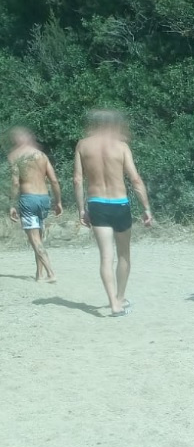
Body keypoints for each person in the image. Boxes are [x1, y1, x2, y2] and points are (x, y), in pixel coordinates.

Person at [73, 110, 152, 316]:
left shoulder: (83, 145)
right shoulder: (121, 147)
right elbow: (135, 180)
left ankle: (113, 304)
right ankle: (120, 297)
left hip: (97, 203)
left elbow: (77, 180)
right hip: (120, 203)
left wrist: (82, 209)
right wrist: (146, 208)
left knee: (106, 257)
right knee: (124, 254)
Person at [7, 127, 63, 282]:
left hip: (28, 200)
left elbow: (15, 182)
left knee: (34, 239)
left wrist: (12, 204)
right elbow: (54, 180)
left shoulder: (15, 156)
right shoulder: (42, 155)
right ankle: (39, 274)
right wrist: (58, 201)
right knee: (39, 236)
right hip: (44, 199)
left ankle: (51, 273)